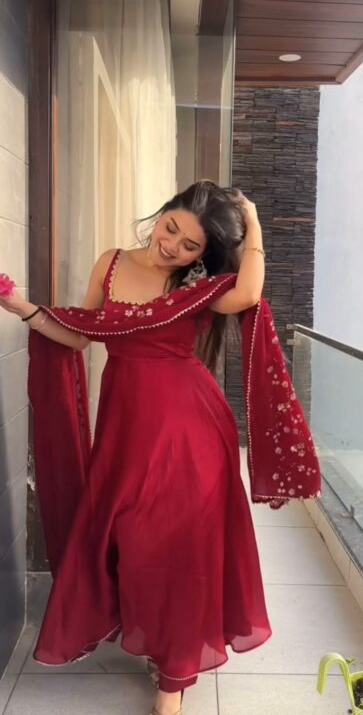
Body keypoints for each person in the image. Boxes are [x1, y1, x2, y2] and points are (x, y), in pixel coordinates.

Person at [0, 180, 320, 715]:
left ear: (202, 255)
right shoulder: (110, 263)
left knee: (178, 546)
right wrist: (21, 307)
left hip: (189, 430)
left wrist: (253, 222)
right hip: (125, 429)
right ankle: (158, 635)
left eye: (190, 245)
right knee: (130, 538)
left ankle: (172, 679)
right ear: (163, 212)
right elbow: (82, 333)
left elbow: (247, 294)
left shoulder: (197, 286)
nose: (171, 246)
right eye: (171, 229)